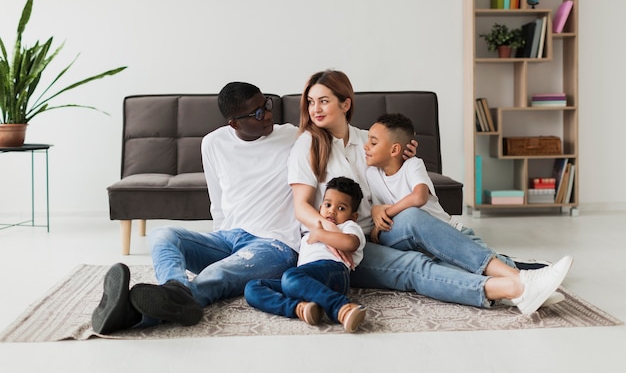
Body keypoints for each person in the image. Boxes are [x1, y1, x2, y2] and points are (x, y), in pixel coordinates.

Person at [287, 69, 573, 314]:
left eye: (323, 101)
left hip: (377, 227)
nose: (315, 109)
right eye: (311, 102)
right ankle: (514, 287)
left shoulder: (368, 140)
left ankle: (518, 277)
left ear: (345, 103)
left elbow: (392, 175)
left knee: (412, 217)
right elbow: (301, 207)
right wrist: (327, 229)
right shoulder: (308, 145)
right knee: (415, 265)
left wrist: (402, 159)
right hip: (343, 244)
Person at [91, 82, 302, 334]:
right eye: (257, 113)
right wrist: (219, 238)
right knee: (163, 235)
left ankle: (131, 315)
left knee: (215, 275)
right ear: (233, 123)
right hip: (228, 238)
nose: (268, 115)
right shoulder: (213, 143)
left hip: (275, 245)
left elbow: (341, 138)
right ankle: (175, 287)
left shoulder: (293, 137)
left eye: (266, 105)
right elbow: (218, 202)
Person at [245, 176, 367, 333]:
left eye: (341, 208)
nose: (332, 211)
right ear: (320, 206)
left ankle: (342, 307)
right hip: (305, 280)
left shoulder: (348, 225)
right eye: (328, 205)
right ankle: (300, 308)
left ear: (353, 216)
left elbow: (350, 243)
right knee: (253, 287)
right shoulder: (312, 226)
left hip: (332, 271)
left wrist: (319, 235)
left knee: (290, 277)